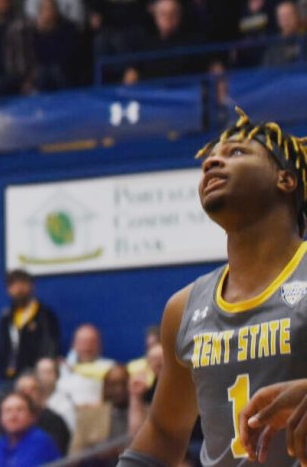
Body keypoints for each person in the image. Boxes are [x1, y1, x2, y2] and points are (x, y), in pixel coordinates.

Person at [115, 109, 307, 467]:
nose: (212, 162)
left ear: (286, 179)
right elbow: (164, 433)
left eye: (236, 152)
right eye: (210, 158)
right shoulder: (184, 307)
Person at [0, 270, 61, 382]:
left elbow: (51, 346)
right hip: (13, 377)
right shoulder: (6, 317)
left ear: (32, 286)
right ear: (8, 290)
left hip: (38, 377)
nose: (19, 289)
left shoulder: (45, 314)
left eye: (23, 283)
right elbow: (3, 348)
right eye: (13, 285)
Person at [0, 392, 60, 467]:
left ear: (32, 416)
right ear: (1, 418)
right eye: (7, 411)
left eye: (20, 410)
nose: (13, 416)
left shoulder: (40, 441)